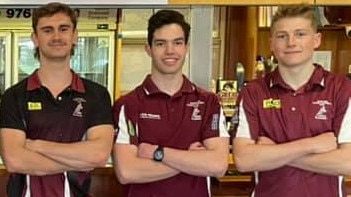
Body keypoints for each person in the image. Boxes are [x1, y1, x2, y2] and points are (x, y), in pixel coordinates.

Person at [232, 4, 351, 197]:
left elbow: (348, 163)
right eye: (282, 36)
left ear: (316, 40)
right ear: (271, 43)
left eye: (300, 34)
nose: (291, 42)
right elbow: (244, 160)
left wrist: (273, 153)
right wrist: (311, 145)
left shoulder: (342, 89)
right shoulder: (253, 92)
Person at [0, 3, 114, 197]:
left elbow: (98, 155)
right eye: (47, 30)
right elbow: (15, 160)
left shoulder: (97, 94)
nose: (56, 37)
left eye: (63, 29)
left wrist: (36, 146)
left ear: (75, 35)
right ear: (35, 38)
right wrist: (78, 159)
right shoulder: (14, 96)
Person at [112, 9, 229, 197]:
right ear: (148, 49)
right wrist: (192, 160)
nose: (170, 51)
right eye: (161, 43)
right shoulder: (128, 105)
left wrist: (157, 153)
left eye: (177, 43)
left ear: (186, 48)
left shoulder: (208, 102)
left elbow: (218, 165)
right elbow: (127, 172)